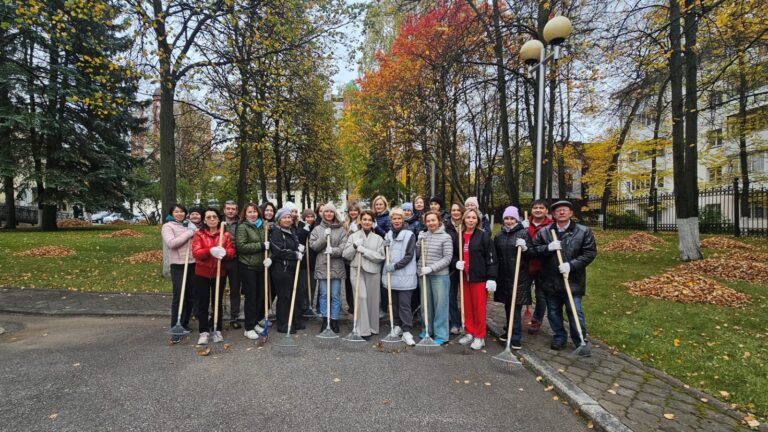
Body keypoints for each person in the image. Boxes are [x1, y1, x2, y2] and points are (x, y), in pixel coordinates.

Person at [532, 200, 597, 353]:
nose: (561, 212)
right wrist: (547, 248)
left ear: (571, 213)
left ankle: (580, 340)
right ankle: (559, 336)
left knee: (575, 311)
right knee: (553, 311)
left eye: (565, 210)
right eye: (558, 210)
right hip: (550, 280)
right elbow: (533, 251)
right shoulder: (545, 232)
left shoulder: (583, 231)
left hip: (572, 280)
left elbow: (590, 253)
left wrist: (571, 265)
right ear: (553, 214)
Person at [192, 208, 236, 345]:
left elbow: (231, 252)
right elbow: (196, 252)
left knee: (217, 301)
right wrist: (209, 251)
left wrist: (225, 252)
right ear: (204, 220)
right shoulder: (199, 235)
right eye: (209, 217)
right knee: (203, 303)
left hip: (219, 272)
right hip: (202, 273)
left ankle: (217, 329)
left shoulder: (225, 235)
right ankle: (204, 331)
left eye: (214, 217)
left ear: (218, 219)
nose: (212, 219)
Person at [456, 208, 498, 350]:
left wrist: (492, 277)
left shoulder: (484, 236)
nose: (471, 220)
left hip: (479, 277)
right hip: (464, 277)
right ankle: (469, 331)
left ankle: (479, 336)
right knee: (466, 307)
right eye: (468, 218)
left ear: (478, 220)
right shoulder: (460, 236)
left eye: (474, 218)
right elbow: (455, 255)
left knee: (479, 308)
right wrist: (456, 262)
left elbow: (491, 259)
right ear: (464, 220)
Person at [494, 206, 533, 349]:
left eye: (512, 218)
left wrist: (525, 248)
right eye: (506, 218)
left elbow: (532, 254)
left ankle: (515, 336)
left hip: (519, 276)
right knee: (507, 306)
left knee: (515, 307)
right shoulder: (499, 235)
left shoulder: (523, 234)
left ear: (517, 219)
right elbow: (496, 255)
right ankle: (509, 330)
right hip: (504, 276)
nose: (509, 221)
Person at [343, 210, 385, 338]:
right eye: (364, 219)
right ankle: (362, 329)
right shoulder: (353, 236)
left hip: (373, 271)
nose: (367, 222)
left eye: (369, 220)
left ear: (373, 222)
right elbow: (346, 255)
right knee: (361, 297)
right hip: (357, 270)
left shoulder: (378, 238)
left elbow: (380, 256)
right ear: (360, 221)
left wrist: (364, 251)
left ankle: (372, 327)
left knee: (372, 300)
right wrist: (355, 246)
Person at [309, 202, 348, 333]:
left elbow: (344, 247)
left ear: (334, 213)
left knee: (336, 295)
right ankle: (326, 319)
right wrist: (324, 238)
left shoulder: (341, 229)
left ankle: (335, 319)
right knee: (324, 294)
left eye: (331, 211)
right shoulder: (317, 229)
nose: (328, 214)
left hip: (336, 266)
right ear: (323, 213)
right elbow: (313, 246)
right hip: (322, 265)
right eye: (326, 211)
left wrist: (333, 250)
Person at [416, 211, 454, 345]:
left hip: (439, 276)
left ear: (439, 221)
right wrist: (419, 242)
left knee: (440, 306)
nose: (431, 223)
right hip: (424, 274)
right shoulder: (423, 235)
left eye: (433, 220)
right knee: (426, 305)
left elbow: (448, 258)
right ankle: (427, 329)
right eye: (428, 221)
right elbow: (417, 254)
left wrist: (431, 268)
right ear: (425, 223)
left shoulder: (446, 237)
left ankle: (441, 335)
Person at [161, 204, 197, 343]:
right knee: (179, 296)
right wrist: (189, 233)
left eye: (182, 211)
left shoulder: (187, 225)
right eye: (176, 211)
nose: (179, 214)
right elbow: (172, 243)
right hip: (178, 265)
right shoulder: (168, 226)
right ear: (172, 213)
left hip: (192, 263)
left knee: (190, 295)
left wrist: (190, 231)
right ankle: (175, 326)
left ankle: (184, 323)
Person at [383, 208, 418, 345]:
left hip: (405, 275)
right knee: (394, 304)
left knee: (404, 305)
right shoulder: (388, 235)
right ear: (391, 220)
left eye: (399, 218)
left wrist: (395, 266)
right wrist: (383, 247)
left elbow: (409, 256)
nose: (396, 221)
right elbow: (386, 253)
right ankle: (397, 326)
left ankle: (407, 330)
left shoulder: (409, 235)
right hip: (392, 276)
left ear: (403, 220)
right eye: (394, 218)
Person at [234, 203, 268, 340]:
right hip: (248, 267)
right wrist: (260, 246)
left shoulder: (261, 227)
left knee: (259, 297)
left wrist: (268, 257)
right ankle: (248, 328)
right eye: (250, 212)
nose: (253, 214)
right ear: (245, 214)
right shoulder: (243, 227)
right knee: (251, 298)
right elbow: (241, 246)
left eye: (255, 211)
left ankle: (254, 323)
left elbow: (267, 245)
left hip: (260, 266)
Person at [269, 207, 305, 333]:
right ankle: (283, 324)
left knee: (295, 295)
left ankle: (294, 320)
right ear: (279, 220)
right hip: (281, 270)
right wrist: (295, 254)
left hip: (293, 269)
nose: (287, 219)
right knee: (284, 297)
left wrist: (299, 249)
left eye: (289, 217)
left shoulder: (292, 231)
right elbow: (278, 251)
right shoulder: (276, 232)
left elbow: (295, 247)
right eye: (284, 217)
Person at [526, 199, 553, 334]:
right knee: (521, 292)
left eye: (541, 208)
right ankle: (514, 320)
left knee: (541, 295)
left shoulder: (551, 226)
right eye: (535, 207)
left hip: (543, 266)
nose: (538, 210)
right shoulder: (525, 224)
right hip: (525, 264)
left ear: (546, 211)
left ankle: (536, 320)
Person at [443, 202, 464, 335]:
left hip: (466, 265)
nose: (455, 212)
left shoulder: (467, 224)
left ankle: (466, 322)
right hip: (452, 265)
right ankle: (455, 322)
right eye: (453, 210)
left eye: (458, 210)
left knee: (466, 297)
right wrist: (455, 262)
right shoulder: (446, 227)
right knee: (451, 295)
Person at [222, 200, 242, 329]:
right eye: (228, 208)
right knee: (218, 288)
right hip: (220, 260)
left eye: (233, 209)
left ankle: (234, 316)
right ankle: (217, 315)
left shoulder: (240, 223)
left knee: (235, 289)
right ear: (224, 210)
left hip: (235, 260)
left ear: (236, 210)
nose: (230, 211)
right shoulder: (218, 222)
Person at [297, 209, 317, 318]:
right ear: (304, 218)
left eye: (311, 217)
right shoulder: (300, 228)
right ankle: (303, 307)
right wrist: (305, 231)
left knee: (312, 285)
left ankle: (310, 305)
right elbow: (299, 240)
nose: (310, 219)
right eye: (307, 217)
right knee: (303, 286)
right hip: (304, 263)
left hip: (313, 262)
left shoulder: (315, 228)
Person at [343, 202, 361, 314]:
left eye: (355, 210)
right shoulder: (345, 224)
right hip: (347, 258)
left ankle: (358, 304)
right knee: (348, 283)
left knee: (357, 282)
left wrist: (356, 231)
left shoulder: (361, 223)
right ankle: (351, 305)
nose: (353, 212)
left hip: (358, 257)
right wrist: (349, 232)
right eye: (351, 210)